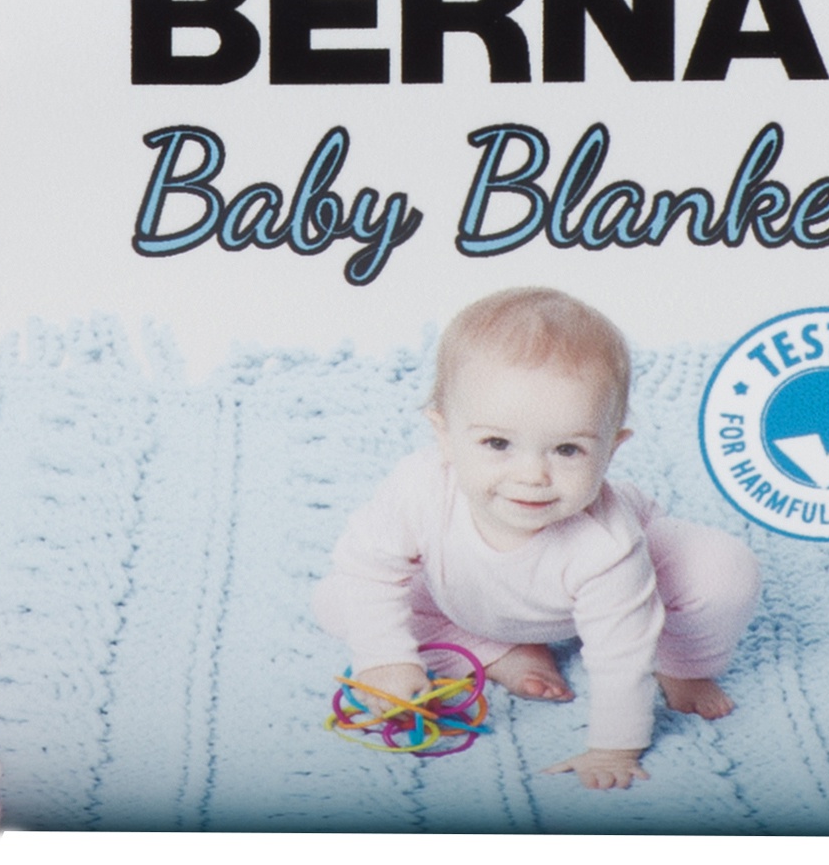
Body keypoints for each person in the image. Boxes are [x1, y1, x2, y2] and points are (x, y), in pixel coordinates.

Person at [313, 287, 762, 789]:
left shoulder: (606, 543)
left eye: (567, 450)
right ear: (444, 435)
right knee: (338, 600)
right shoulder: (419, 488)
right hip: (462, 600)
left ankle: (681, 665)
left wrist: (614, 747)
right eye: (497, 443)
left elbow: (621, 652)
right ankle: (494, 652)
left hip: (606, 599)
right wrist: (385, 659)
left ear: (612, 449)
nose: (531, 476)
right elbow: (369, 570)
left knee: (721, 571)